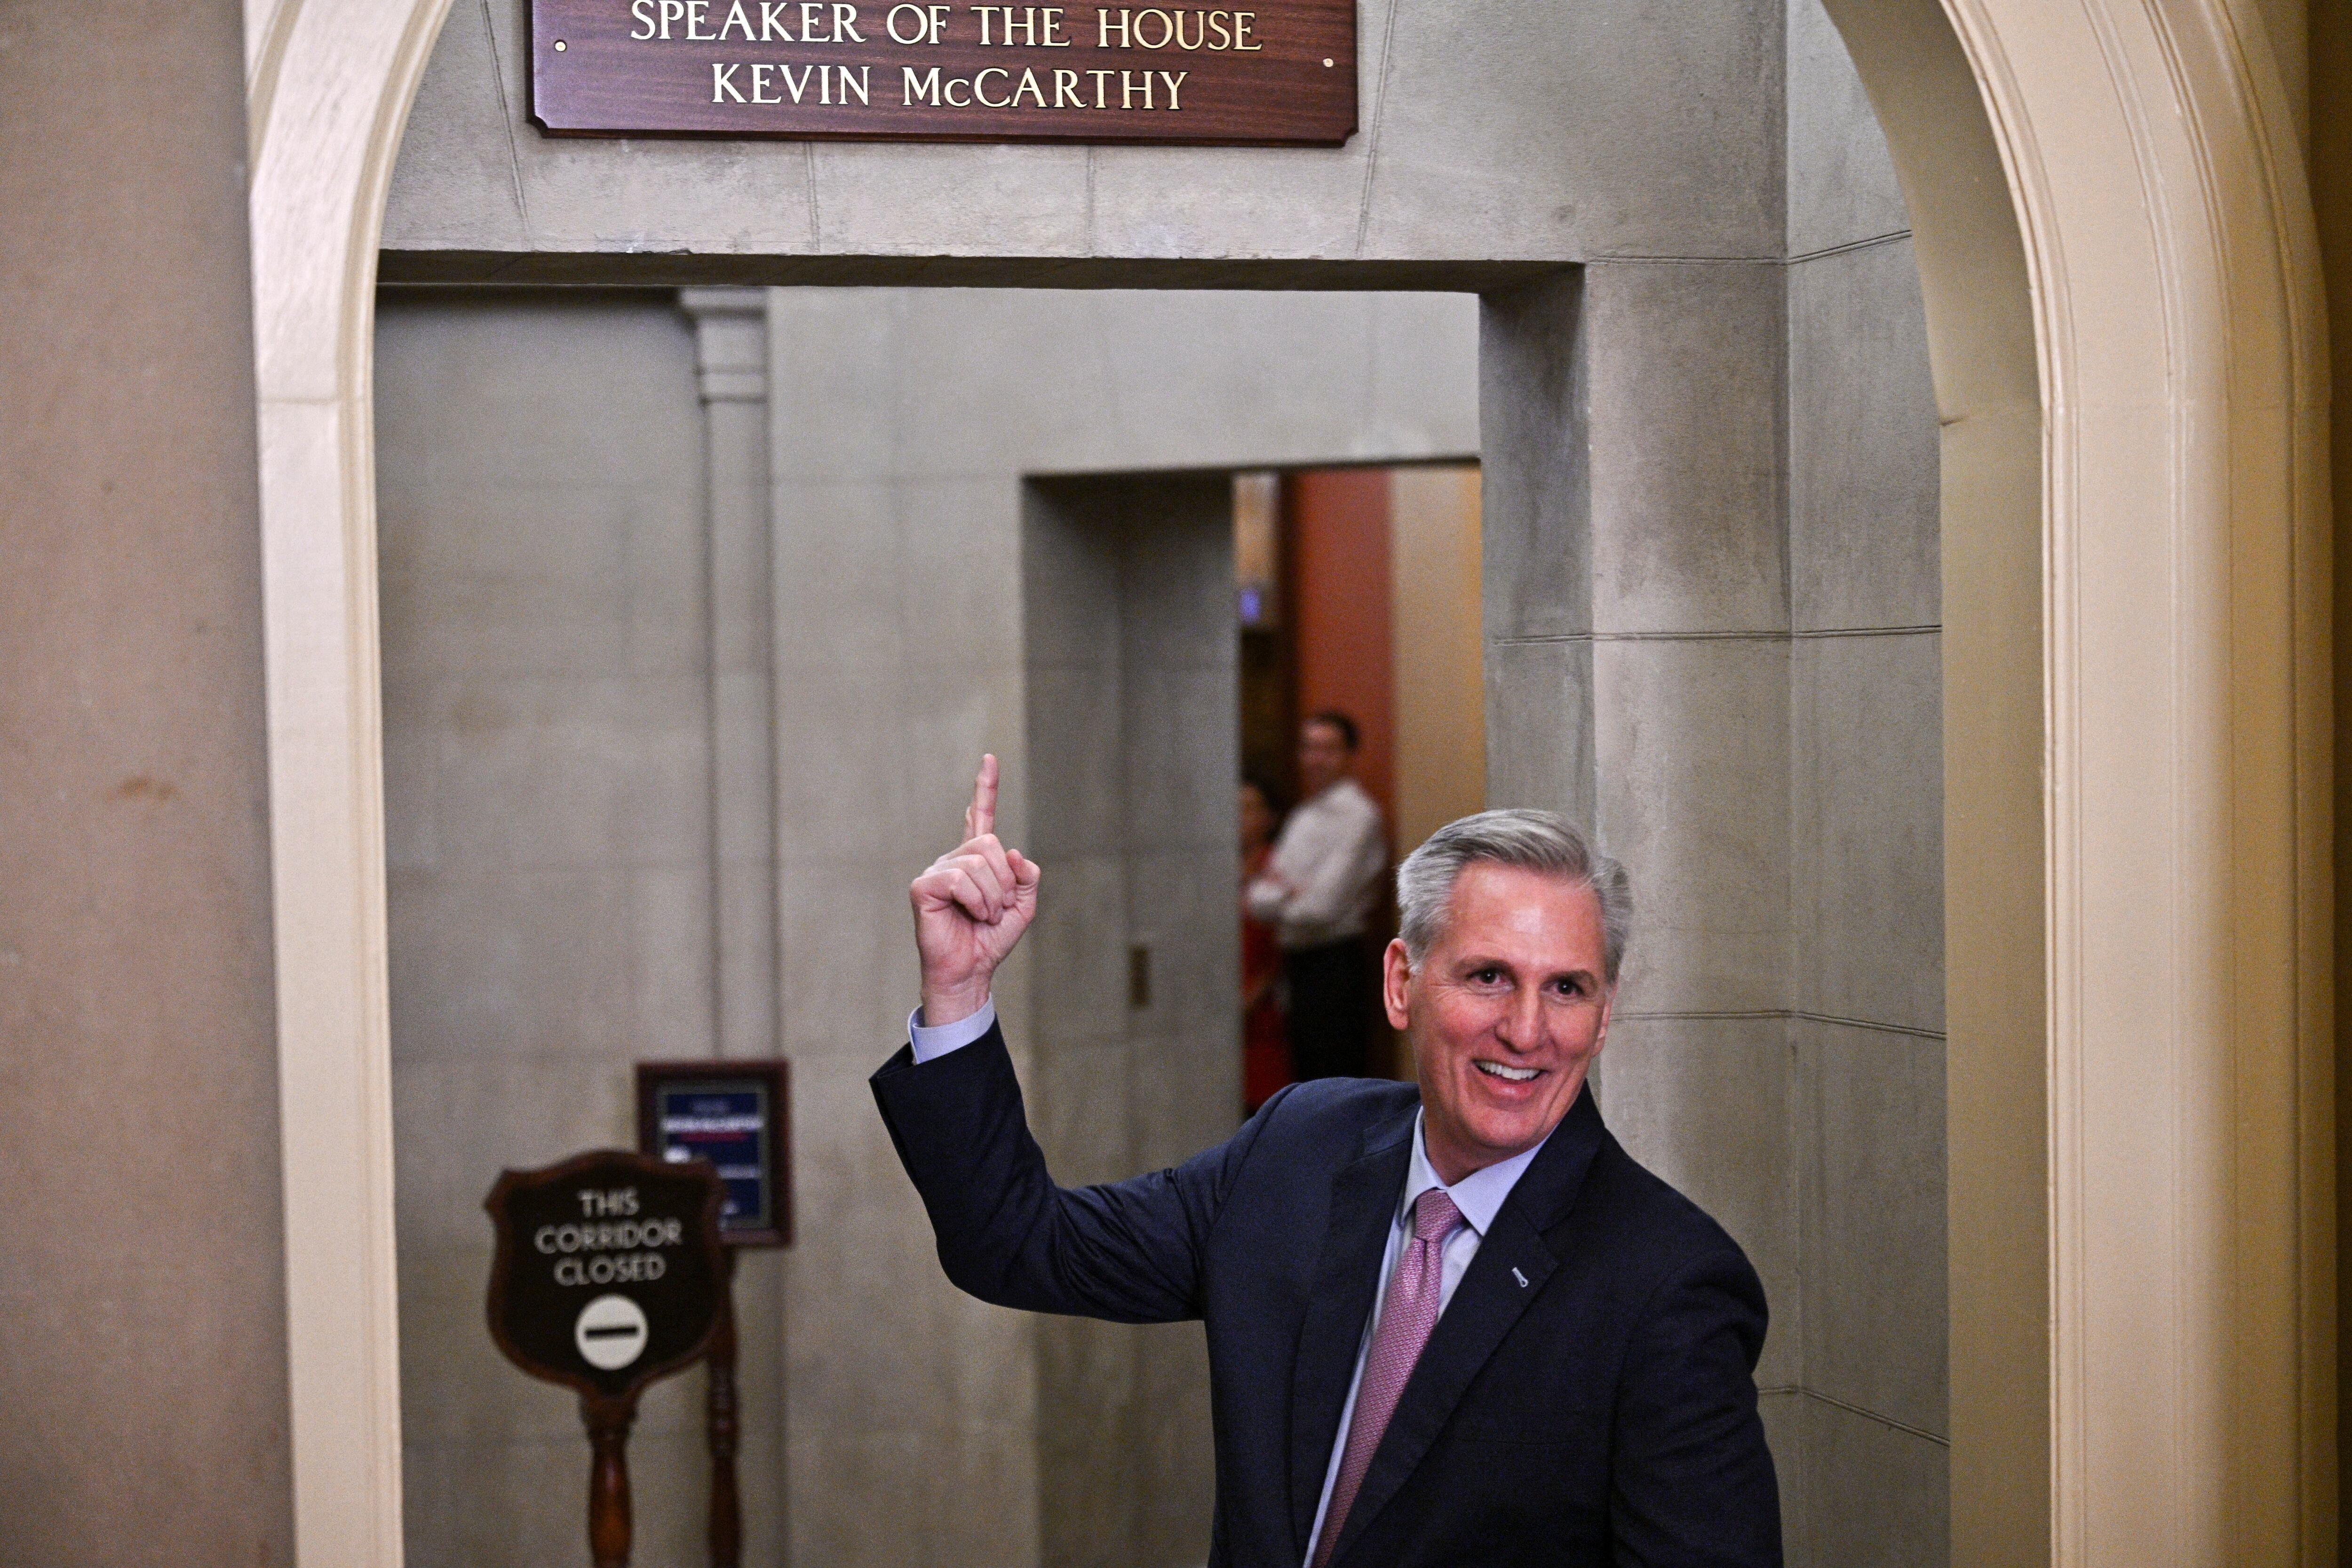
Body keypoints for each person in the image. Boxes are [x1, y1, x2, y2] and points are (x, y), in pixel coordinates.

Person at [873, 756, 1781, 1568]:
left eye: (1567, 987)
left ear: (1605, 1011)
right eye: (1488, 976)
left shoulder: (1667, 1283)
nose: (1527, 1029)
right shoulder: (1300, 1145)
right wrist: (958, 991)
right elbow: (1018, 1243)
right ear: (1400, 982)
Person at [1245, 712, 1387, 1080]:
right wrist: (1286, 896)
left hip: (1334, 964)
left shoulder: (1360, 816)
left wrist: (1283, 896)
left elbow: (1321, 908)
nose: (1316, 759)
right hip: (1296, 964)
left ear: (1349, 755)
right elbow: (1257, 897)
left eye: (1328, 749)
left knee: (1335, 1079)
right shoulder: (1303, 816)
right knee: (1303, 1080)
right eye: (1309, 748)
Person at [1240, 778, 1292, 1112]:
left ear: (1269, 817)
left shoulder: (1278, 866)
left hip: (1265, 1011)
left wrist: (1256, 992)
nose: (1239, 816)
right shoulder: (1212, 868)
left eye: (1249, 807)